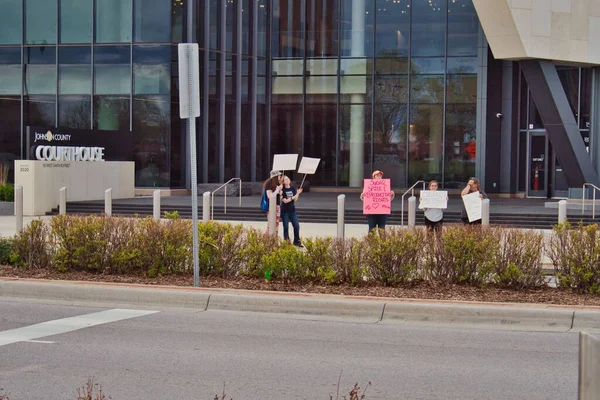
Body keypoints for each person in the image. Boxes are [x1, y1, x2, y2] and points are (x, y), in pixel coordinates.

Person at [280, 175, 303, 247]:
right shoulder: (282, 190)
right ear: (283, 182)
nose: (287, 180)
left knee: (296, 226)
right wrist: (293, 197)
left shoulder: (292, 188)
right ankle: (286, 242)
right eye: (285, 179)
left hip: (292, 210)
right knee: (286, 227)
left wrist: (298, 193)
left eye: (287, 179)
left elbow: (295, 200)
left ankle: (296, 241)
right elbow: (285, 201)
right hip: (285, 211)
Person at [262, 170, 283, 234]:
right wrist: (277, 190)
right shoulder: (269, 183)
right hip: (272, 207)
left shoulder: (276, 184)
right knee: (271, 225)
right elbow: (270, 196)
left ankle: (274, 241)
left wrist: (280, 193)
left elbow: (277, 197)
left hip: (277, 206)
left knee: (276, 225)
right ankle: (266, 240)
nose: (280, 176)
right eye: (279, 175)